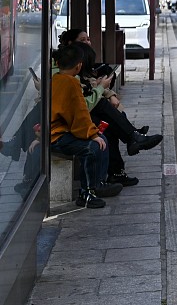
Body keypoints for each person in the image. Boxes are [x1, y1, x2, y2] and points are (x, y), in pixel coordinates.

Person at [58, 29, 162, 186]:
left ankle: (129, 146)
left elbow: (89, 86)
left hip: (79, 116)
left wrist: (108, 92)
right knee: (107, 121)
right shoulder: (65, 75)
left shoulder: (73, 69)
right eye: (82, 40)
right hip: (70, 122)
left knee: (110, 120)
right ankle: (131, 141)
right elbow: (83, 104)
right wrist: (101, 88)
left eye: (88, 39)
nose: (87, 43)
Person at [50, 44, 122, 208]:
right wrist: (92, 134)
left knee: (101, 140)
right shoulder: (71, 83)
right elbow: (80, 114)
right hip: (57, 135)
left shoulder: (56, 79)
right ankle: (87, 192)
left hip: (58, 131)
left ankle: (97, 184)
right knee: (93, 147)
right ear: (79, 66)